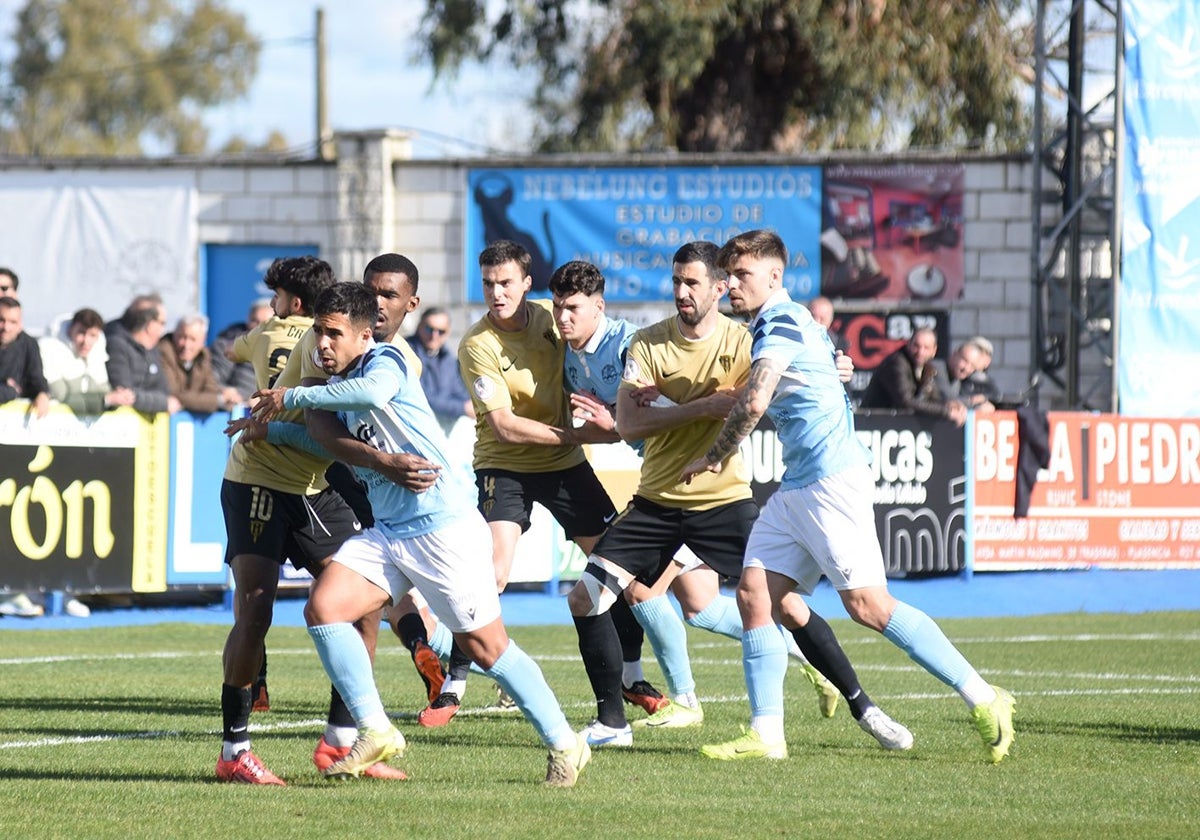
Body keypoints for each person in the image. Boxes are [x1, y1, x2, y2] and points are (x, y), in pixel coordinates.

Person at [685, 229, 1014, 764]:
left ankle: (983, 695)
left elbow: (755, 400)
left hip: (830, 482)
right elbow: (828, 371)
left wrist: (716, 454)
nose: (732, 285)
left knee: (868, 606)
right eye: (729, 275)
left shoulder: (782, 322)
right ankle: (767, 735)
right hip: (798, 486)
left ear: (775, 276)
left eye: (741, 274)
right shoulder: (795, 325)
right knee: (754, 595)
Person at [565, 242, 911, 751]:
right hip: (657, 501)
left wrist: (833, 369)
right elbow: (630, 422)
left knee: (786, 606)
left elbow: (763, 397)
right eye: (677, 282)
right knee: (587, 596)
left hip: (723, 500)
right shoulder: (647, 343)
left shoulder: (746, 342)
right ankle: (614, 723)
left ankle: (865, 706)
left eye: (692, 283)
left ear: (718, 288)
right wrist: (706, 405)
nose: (681, 292)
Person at [243, 281, 590, 786]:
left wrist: (292, 394)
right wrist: (268, 429)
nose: (321, 343)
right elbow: (331, 445)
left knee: (489, 650)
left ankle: (565, 742)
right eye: (318, 331)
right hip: (390, 533)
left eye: (333, 333)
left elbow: (371, 394)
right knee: (324, 608)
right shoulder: (333, 382)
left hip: (442, 531)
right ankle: (376, 728)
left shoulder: (386, 362)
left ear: (364, 335)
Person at [448, 239, 667, 728]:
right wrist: (577, 433)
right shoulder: (476, 344)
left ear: (527, 284)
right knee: (494, 572)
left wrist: (622, 412)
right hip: (504, 464)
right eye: (487, 283)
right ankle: (455, 680)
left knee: (617, 567)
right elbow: (503, 425)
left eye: (505, 282)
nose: (495, 292)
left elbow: (606, 359)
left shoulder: (556, 318)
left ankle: (631, 676)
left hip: (563, 465)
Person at [214, 256, 407, 785]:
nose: (325, 343)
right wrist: (386, 464)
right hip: (258, 482)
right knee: (256, 610)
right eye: (321, 331)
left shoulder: (377, 355)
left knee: (364, 604)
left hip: (315, 489)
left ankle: (343, 742)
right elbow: (317, 428)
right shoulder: (318, 351)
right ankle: (234, 752)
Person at [858, 326, 967, 426]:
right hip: (872, 425)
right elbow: (906, 401)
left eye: (926, 348)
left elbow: (933, 398)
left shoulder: (927, 367)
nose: (920, 352)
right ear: (909, 344)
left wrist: (950, 405)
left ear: (934, 351)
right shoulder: (896, 363)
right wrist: (945, 412)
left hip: (896, 427)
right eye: (916, 346)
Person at [38, 307, 135, 414]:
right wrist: (105, 400)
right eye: (81, 333)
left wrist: (115, 399)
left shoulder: (98, 353)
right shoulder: (48, 350)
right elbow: (61, 397)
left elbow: (104, 391)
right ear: (70, 330)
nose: (86, 341)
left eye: (92, 335)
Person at [105, 298, 180, 415]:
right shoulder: (115, 345)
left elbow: (164, 390)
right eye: (162, 323)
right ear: (150, 324)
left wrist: (160, 401)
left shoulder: (152, 349)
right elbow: (124, 394)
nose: (163, 329)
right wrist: (163, 403)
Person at [406, 306, 474, 433]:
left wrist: (471, 405)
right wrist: (462, 408)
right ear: (419, 326)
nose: (434, 335)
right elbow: (420, 397)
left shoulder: (448, 360)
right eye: (429, 329)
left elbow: (459, 392)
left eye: (441, 331)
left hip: (441, 430)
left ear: (448, 332)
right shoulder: (406, 352)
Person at [158, 314, 243, 414]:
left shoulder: (203, 356)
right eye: (181, 337)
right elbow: (174, 393)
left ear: (203, 340)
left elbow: (210, 388)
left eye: (192, 339)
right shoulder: (162, 351)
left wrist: (226, 395)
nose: (186, 345)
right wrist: (219, 399)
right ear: (174, 334)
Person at [211, 298, 272, 402]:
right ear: (248, 319)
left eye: (265, 323)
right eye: (255, 321)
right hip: (230, 405)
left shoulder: (282, 348)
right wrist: (226, 391)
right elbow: (210, 379)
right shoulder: (227, 342)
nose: (258, 327)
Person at [0, 296, 50, 419]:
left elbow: (36, 378)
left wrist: (43, 394)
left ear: (20, 324)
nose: (6, 327)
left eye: (13, 322)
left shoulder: (29, 344)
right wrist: (11, 390)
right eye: (1, 320)